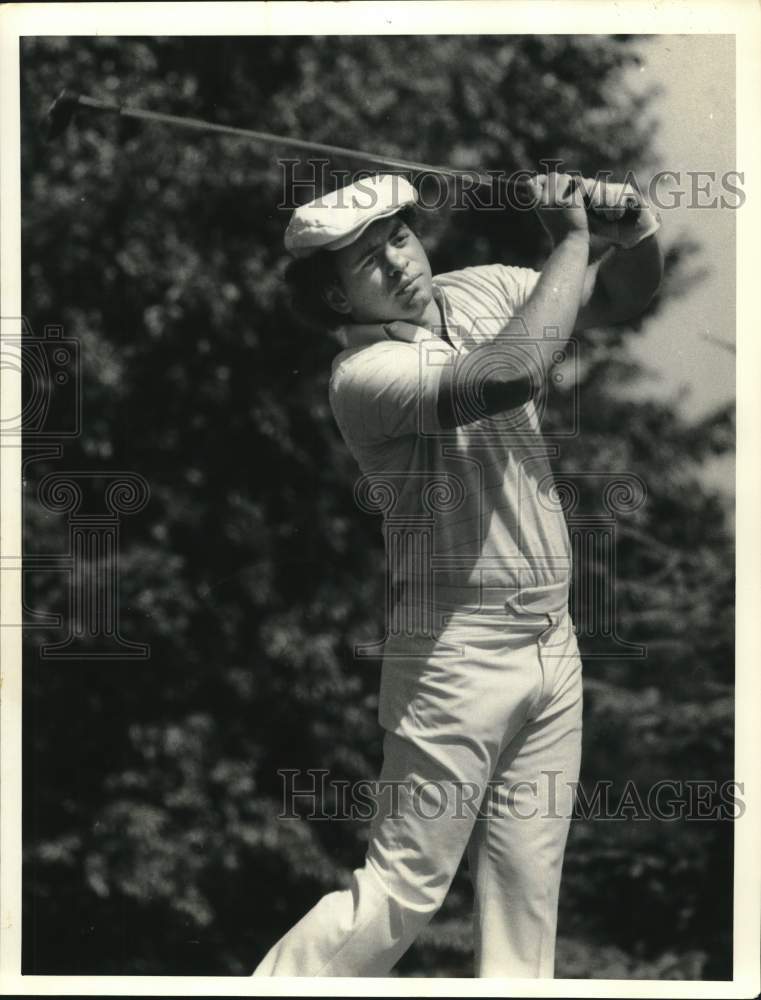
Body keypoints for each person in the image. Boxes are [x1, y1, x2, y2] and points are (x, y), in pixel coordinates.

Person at [253, 171, 663, 977]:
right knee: (399, 893)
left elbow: (615, 298)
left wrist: (635, 231)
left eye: (400, 237)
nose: (399, 262)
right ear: (335, 299)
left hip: (551, 641)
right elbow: (511, 374)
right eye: (369, 261)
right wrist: (572, 238)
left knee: (525, 905)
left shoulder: (475, 290)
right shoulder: (363, 376)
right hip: (453, 653)